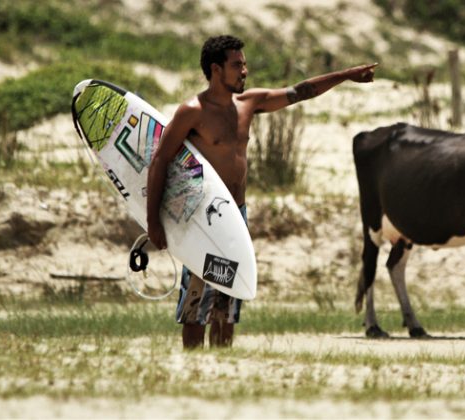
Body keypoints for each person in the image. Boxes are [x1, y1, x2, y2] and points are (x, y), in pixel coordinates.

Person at [147, 35, 377, 349]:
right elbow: (160, 159)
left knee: (227, 299)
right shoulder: (192, 111)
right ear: (216, 69)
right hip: (202, 216)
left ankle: (221, 362)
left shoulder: (248, 103)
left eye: (244, 64)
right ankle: (192, 363)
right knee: (197, 297)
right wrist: (154, 222)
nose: (245, 70)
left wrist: (346, 75)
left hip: (235, 215)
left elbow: (301, 91)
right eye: (237, 65)